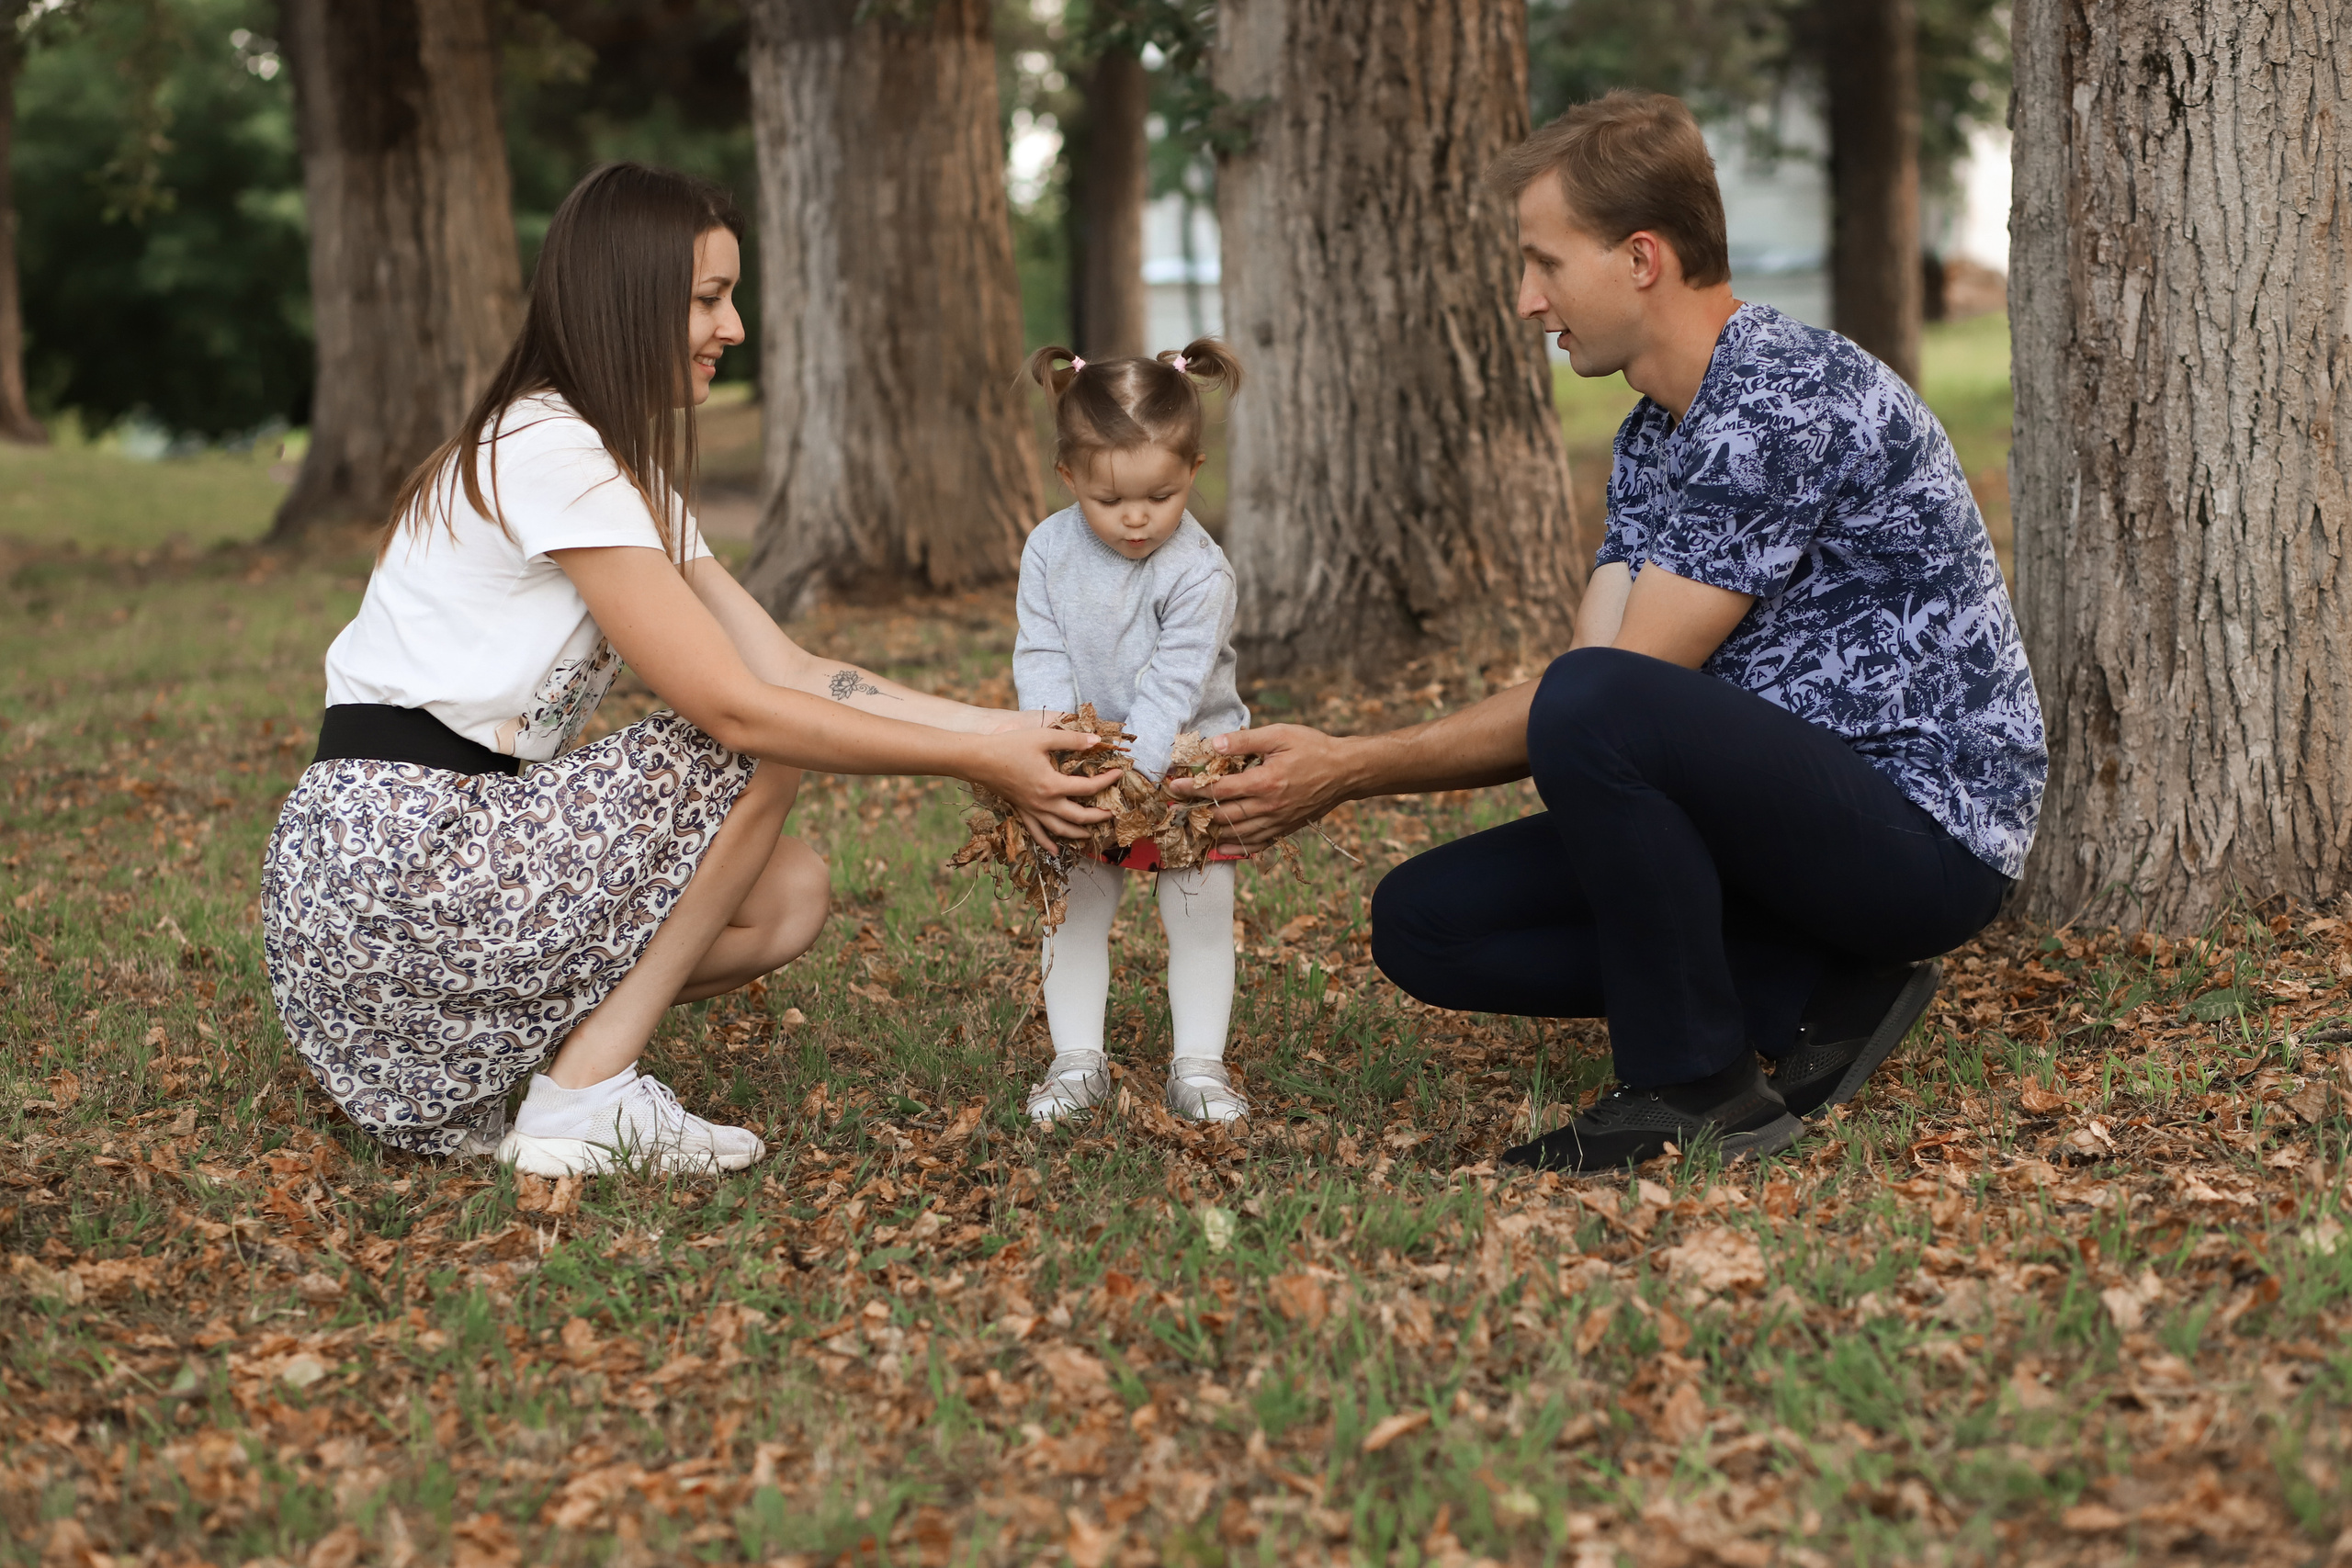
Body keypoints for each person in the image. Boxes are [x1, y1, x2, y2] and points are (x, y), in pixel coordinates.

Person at [1170, 91, 2045, 1172]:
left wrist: (1350, 767)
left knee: (1591, 704)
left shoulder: (1781, 396)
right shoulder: (1654, 430)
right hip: (1778, 822)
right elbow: (1596, 680)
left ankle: (1695, 1086)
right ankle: (1811, 987)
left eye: (1545, 263)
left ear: (1641, 259)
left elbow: (1607, 690)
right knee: (1425, 922)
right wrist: (1374, 761)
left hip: (1919, 836)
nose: (1528, 300)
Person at [261, 164, 1113, 1178]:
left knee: (786, 894)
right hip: (398, 868)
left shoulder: (620, 475)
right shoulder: (550, 450)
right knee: (753, 743)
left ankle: (552, 1082)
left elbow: (790, 664)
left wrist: (1001, 733)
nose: (734, 326)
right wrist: (975, 765)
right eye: (709, 298)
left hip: (434, 883)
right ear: (630, 299)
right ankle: (583, 1103)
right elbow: (739, 706)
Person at [1013, 340, 1253, 1125]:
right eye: (1112, 499)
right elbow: (1042, 655)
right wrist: (1061, 756)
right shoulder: (1049, 550)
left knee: (1199, 908)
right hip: (1088, 764)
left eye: (1162, 493)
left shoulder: (1199, 572)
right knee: (1077, 906)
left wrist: (1137, 783)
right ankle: (1076, 1058)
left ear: (1193, 470)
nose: (1138, 517)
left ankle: (1199, 1066)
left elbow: (1172, 689)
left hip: (1183, 766)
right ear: (1070, 477)